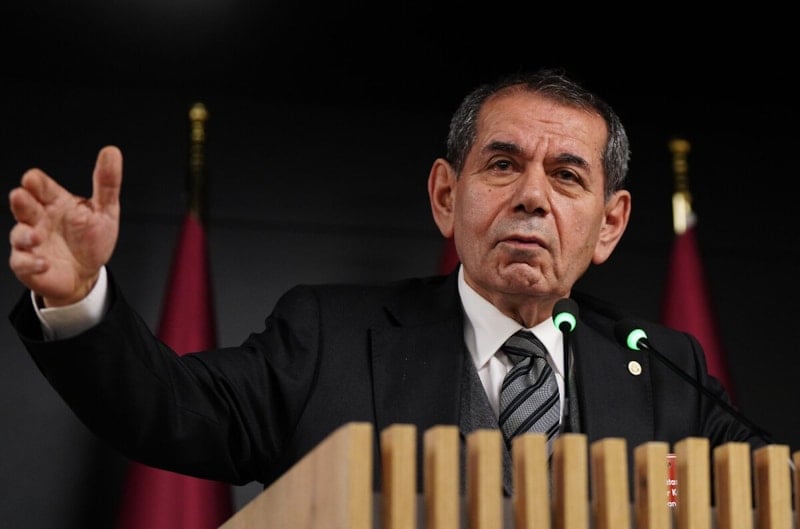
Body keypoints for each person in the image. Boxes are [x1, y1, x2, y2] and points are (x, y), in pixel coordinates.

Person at [7, 68, 763, 496]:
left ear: (609, 225)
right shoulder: (327, 340)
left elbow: (771, 485)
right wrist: (77, 300)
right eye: (503, 165)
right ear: (446, 196)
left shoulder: (667, 372)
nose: (532, 196)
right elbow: (166, 409)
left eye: (567, 176)